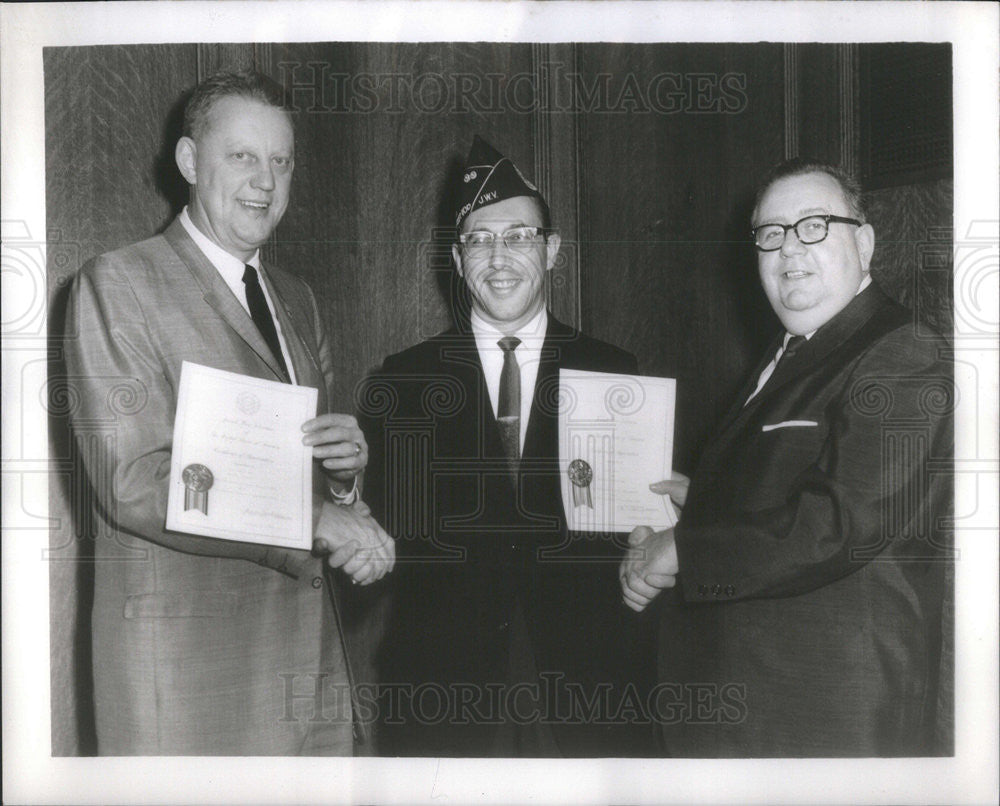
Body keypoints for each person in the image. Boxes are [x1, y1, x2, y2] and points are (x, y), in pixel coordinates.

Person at [64, 70, 394, 755]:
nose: (265, 181)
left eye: (281, 161)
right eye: (242, 156)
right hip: (189, 678)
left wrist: (342, 482)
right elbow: (135, 482)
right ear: (189, 162)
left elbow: (298, 478)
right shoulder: (118, 282)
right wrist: (316, 520)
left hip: (311, 672)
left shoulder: (296, 298)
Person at [620, 158, 952, 756]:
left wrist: (686, 551)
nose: (789, 249)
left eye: (813, 225)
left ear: (866, 242)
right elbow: (804, 480)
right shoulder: (790, 351)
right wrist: (708, 504)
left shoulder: (903, 351)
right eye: (770, 233)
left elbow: (843, 522)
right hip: (757, 714)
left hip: (829, 722)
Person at [359, 136, 652, 757]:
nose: (499, 258)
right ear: (457, 260)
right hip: (444, 692)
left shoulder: (614, 372)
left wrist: (668, 518)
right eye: (479, 240)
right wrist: (342, 490)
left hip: (590, 687)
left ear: (552, 251)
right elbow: (381, 532)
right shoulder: (405, 381)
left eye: (518, 237)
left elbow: (641, 527)